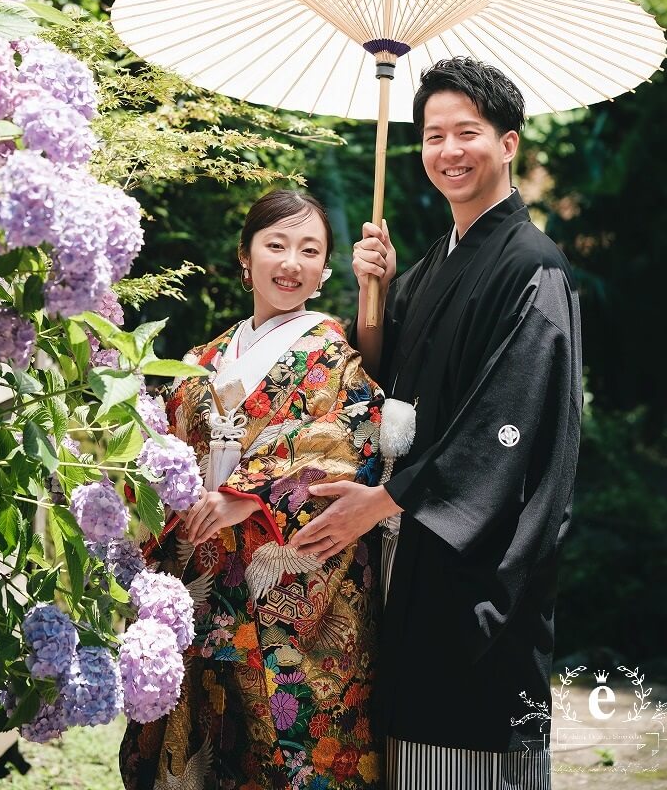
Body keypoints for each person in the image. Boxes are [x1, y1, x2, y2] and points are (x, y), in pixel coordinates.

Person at [292, 58, 583, 790]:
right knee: (406, 743)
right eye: (431, 136)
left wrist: (385, 501)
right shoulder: (429, 265)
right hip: (408, 546)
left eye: (467, 133)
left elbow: (506, 421)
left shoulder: (531, 266)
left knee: (468, 740)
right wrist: (374, 294)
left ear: (508, 143)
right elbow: (377, 381)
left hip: (474, 560)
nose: (447, 151)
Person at [120, 189, 383, 790]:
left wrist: (247, 491)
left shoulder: (333, 357)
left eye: (309, 250)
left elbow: (351, 440)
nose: (291, 262)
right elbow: (162, 455)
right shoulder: (204, 358)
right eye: (276, 244)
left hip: (291, 598)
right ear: (246, 257)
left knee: (289, 751)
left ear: (323, 271)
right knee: (202, 750)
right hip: (205, 579)